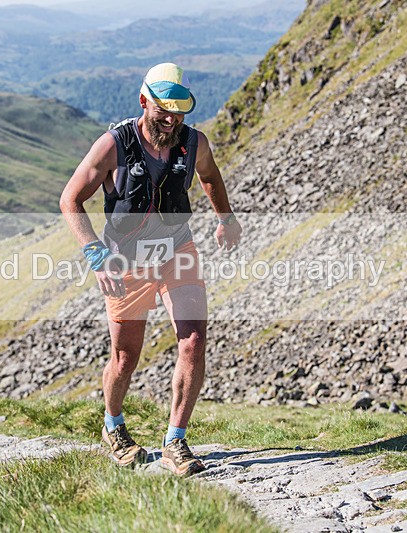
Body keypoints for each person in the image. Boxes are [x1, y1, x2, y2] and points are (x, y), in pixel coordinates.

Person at [60, 63, 242, 477]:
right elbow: (70, 200)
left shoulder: (194, 143)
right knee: (126, 357)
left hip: (178, 250)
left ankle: (175, 440)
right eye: (163, 109)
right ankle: (113, 426)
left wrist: (226, 219)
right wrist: (94, 253)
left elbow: (210, 176)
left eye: (179, 111)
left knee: (194, 341)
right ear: (144, 102)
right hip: (125, 260)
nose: (171, 119)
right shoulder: (113, 145)